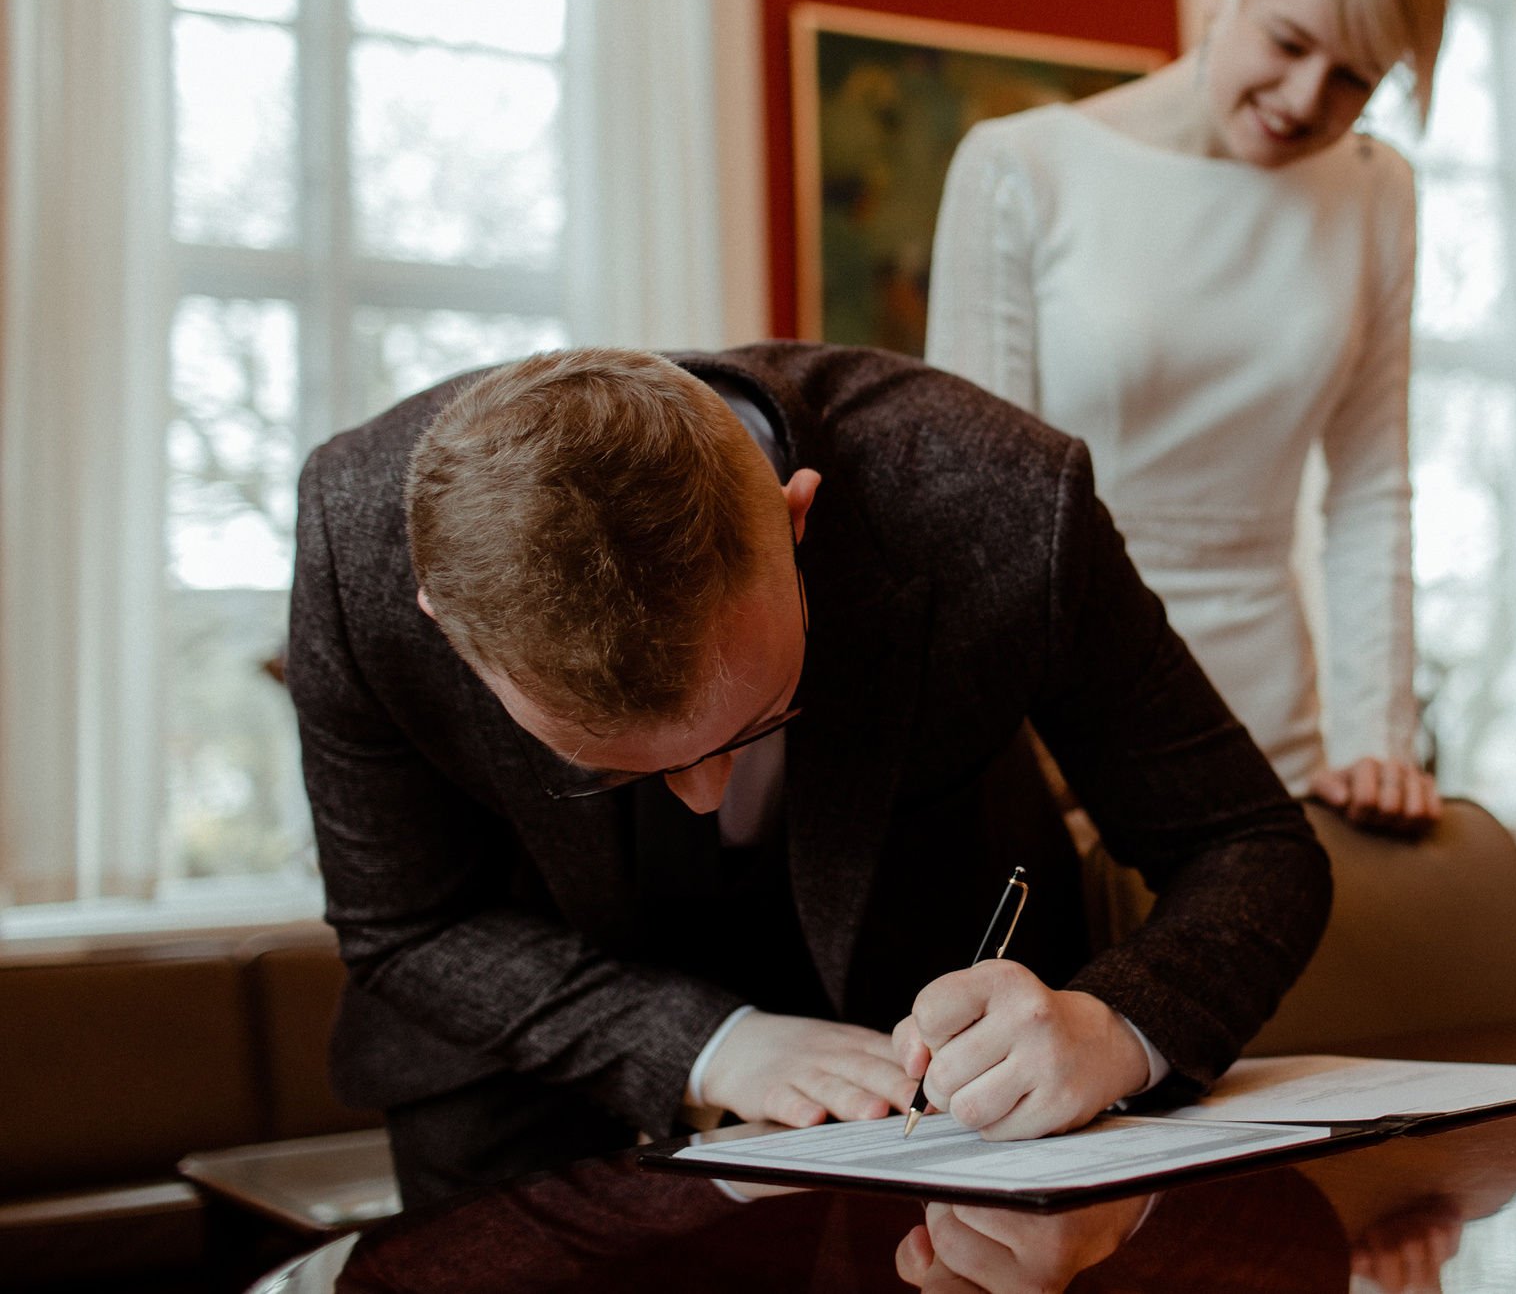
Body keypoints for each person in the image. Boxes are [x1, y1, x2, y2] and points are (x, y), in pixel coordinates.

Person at [288, 343, 1329, 1205]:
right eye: (607, 768)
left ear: (795, 521)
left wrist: (1114, 1028)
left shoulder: (997, 495)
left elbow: (1249, 845)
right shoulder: (357, 538)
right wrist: (710, 1044)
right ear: (445, 629)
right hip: (522, 1077)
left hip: (929, 1087)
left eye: (754, 724)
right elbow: (406, 922)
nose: (704, 798)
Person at [926, 0, 1447, 835]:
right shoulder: (1019, 169)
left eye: (1353, 78)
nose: (1305, 99)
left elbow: (1372, 488)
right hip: (1063, 730)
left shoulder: (1376, 194)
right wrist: (1013, 739)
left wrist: (1376, 738)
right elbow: (975, 511)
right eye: (1287, 42)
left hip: (1272, 730)